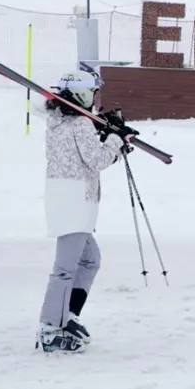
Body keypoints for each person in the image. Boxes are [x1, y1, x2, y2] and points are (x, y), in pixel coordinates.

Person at [36, 69, 137, 353]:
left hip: (66, 199)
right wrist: (116, 139)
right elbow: (96, 159)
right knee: (65, 270)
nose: (96, 98)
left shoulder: (58, 121)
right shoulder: (79, 123)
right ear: (82, 94)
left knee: (90, 260)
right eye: (93, 93)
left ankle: (66, 315)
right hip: (75, 201)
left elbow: (84, 147)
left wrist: (106, 130)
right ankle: (49, 328)